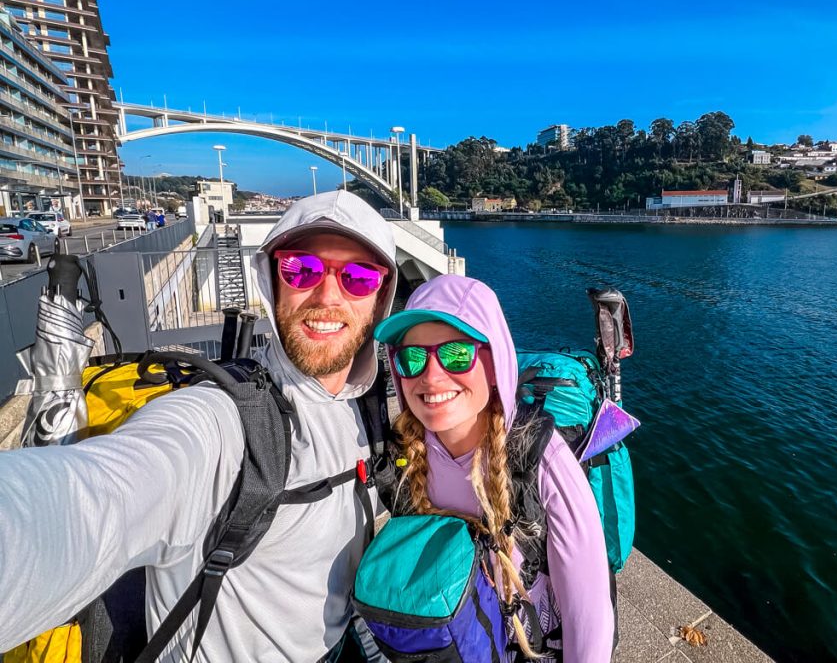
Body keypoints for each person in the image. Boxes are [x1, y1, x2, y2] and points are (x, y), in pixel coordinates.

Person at [0, 190, 398, 661]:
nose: (328, 295)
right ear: (273, 281)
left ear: (380, 298)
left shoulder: (371, 402)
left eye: (357, 276)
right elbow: (93, 503)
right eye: (302, 269)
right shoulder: (221, 421)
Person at [374, 275, 615, 662]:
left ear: (494, 362)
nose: (431, 376)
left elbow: (589, 617)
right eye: (412, 358)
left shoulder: (542, 459)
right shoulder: (402, 455)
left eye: (455, 354)